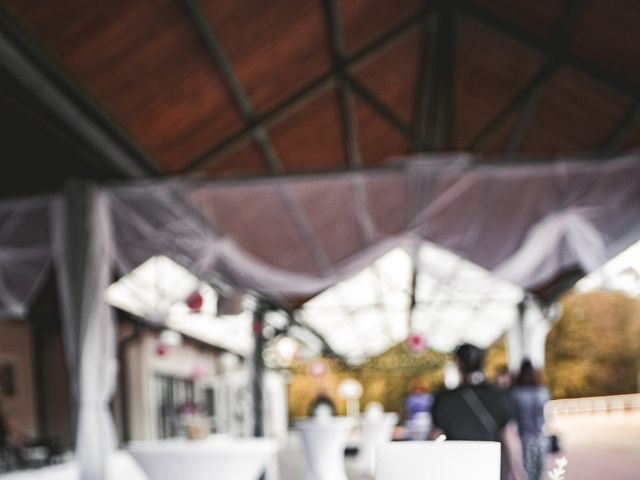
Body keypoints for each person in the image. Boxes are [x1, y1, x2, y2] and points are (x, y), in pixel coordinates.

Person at [430, 343, 516, 480]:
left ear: (458, 363)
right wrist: (516, 471)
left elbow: (435, 437)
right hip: (492, 466)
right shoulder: (499, 396)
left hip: (458, 467)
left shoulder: (444, 399)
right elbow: (509, 436)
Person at [510, 359, 550, 480]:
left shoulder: (516, 393)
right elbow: (546, 413)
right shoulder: (542, 391)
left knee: (527, 468)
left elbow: (514, 416)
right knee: (540, 468)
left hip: (525, 434)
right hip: (541, 433)